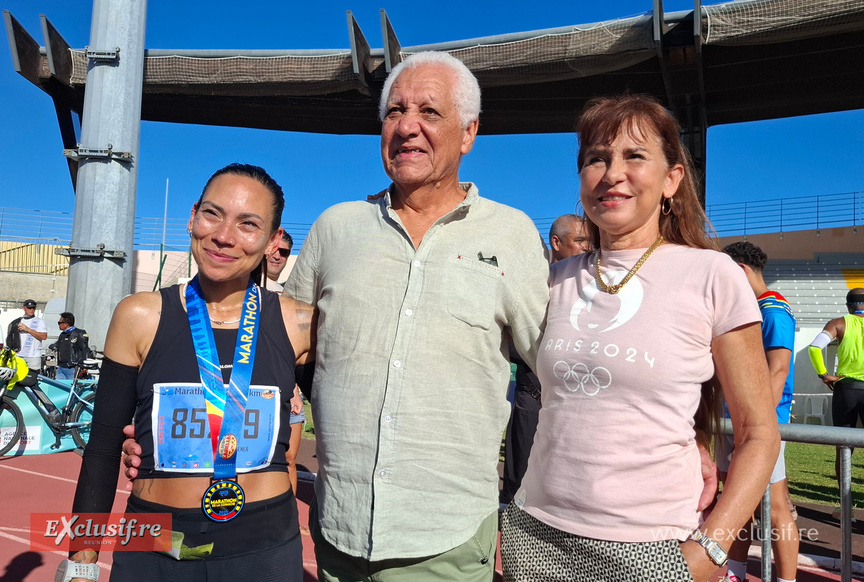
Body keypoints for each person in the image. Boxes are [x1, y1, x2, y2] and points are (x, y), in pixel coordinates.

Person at [282, 51, 550, 581]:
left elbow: (561, 365)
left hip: (445, 537)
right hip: (339, 527)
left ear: (468, 133)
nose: (407, 127)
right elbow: (278, 349)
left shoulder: (511, 233)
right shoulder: (336, 227)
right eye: (394, 112)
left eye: (429, 112)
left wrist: (675, 446)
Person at [500, 95, 780, 582]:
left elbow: (759, 432)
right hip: (536, 534)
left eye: (634, 156)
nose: (611, 173)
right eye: (596, 158)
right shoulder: (552, 279)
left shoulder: (711, 274)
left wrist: (710, 551)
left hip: (653, 547)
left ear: (671, 179)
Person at [65, 163, 314, 581]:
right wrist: (80, 561)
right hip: (155, 538)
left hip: (265, 543)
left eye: (248, 224)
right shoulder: (138, 315)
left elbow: (346, 432)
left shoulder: (300, 324)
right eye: (213, 214)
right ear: (193, 216)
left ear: (272, 242)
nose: (223, 236)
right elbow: (105, 446)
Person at [720, 241, 798, 582]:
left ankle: (786, 579)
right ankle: (736, 573)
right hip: (734, 422)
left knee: (775, 508)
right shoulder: (751, 309)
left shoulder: (773, 312)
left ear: (739, 271)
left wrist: (755, 429)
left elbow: (777, 372)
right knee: (739, 504)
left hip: (758, 426)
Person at [501, 214, 592, 505]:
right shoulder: (533, 283)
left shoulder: (595, 286)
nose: (587, 247)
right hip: (533, 399)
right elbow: (510, 337)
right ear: (556, 242)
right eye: (579, 240)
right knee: (519, 491)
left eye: (590, 240)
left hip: (575, 403)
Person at [808, 287, 864, 512]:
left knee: (844, 447)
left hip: (847, 388)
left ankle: (846, 508)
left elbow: (814, 348)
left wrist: (823, 374)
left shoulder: (839, 323)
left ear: (849, 306)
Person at [264, 230, 306, 496]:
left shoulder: (290, 298)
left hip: (290, 395)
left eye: (285, 252)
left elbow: (292, 351)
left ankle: (288, 521)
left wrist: (294, 389)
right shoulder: (242, 292)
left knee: (289, 459)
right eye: (275, 249)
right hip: (254, 394)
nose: (278, 256)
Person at [6, 299, 47, 371]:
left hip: (33, 356)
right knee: (18, 378)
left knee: (32, 379)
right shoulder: (17, 321)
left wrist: (28, 329)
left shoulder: (40, 321)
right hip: (19, 355)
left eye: (33, 308)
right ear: (24, 308)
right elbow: (10, 337)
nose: (31, 310)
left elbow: (44, 336)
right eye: (29, 308)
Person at [49, 312, 93, 380]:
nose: (58, 325)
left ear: (66, 324)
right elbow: (58, 344)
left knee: (71, 387)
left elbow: (85, 349)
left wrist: (84, 366)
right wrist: (54, 346)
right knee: (60, 387)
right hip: (61, 367)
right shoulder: (62, 334)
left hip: (72, 367)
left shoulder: (79, 333)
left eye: (59, 323)